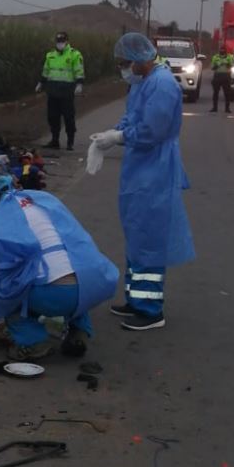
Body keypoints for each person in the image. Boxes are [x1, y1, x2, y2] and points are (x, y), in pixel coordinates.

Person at [92, 33, 195, 331]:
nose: (123, 69)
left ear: (140, 59)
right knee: (137, 233)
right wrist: (110, 134)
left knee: (148, 237)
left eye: (125, 63)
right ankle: (136, 299)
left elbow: (152, 130)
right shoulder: (142, 83)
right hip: (141, 167)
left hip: (155, 168)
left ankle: (151, 310)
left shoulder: (162, 85)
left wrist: (120, 137)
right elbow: (132, 117)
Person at [0, 175, 118, 361]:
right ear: (11, 184)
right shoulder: (44, 199)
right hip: (94, 282)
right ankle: (79, 330)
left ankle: (33, 343)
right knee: (69, 268)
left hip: (50, 294)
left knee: (5, 292)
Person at [35, 32, 85, 151]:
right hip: (52, 90)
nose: (60, 44)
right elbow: (46, 71)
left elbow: (79, 69)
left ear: (67, 41)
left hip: (67, 90)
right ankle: (55, 140)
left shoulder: (74, 54)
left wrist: (79, 84)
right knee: (53, 117)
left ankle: (70, 141)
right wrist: (41, 83)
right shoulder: (50, 55)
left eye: (62, 41)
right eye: (58, 41)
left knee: (68, 117)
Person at [210, 46, 234, 113]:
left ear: (226, 50)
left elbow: (232, 65)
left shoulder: (230, 57)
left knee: (227, 93)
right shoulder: (215, 57)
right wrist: (217, 65)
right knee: (215, 93)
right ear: (219, 50)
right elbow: (212, 67)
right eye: (221, 49)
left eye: (223, 49)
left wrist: (227, 63)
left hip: (226, 76)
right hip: (217, 76)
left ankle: (227, 108)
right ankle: (214, 108)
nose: (222, 51)